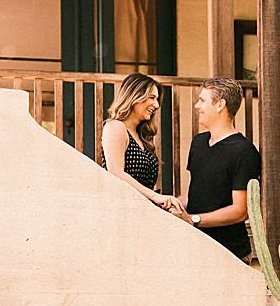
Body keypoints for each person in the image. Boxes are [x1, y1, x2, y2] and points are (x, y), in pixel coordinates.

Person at [171, 77, 260, 260]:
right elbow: (193, 193)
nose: (197, 106)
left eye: (202, 100)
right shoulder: (198, 143)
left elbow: (240, 210)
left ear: (220, 105)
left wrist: (194, 220)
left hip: (230, 254)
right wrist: (173, 205)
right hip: (195, 249)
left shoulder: (244, 152)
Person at [100, 73, 180, 212]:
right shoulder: (115, 127)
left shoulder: (141, 135)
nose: (156, 105)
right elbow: (116, 172)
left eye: (157, 99)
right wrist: (156, 197)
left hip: (143, 211)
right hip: (121, 211)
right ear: (135, 96)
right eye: (152, 98)